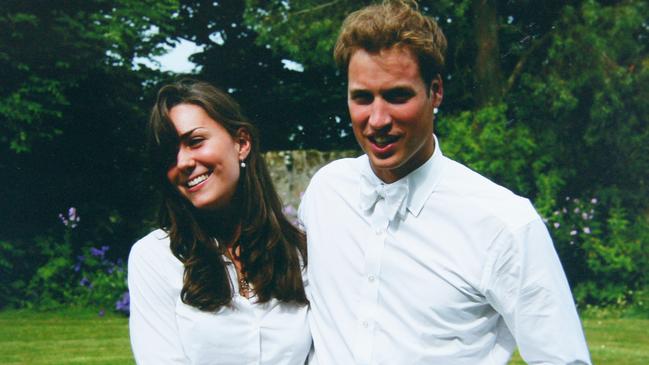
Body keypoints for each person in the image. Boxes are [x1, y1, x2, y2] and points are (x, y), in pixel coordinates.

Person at [298, 1, 591, 364]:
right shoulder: (326, 192)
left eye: (397, 95)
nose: (377, 119)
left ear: (435, 91)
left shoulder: (504, 225)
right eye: (362, 98)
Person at [128, 79, 311, 364]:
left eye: (195, 141)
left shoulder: (301, 254)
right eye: (169, 154)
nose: (183, 162)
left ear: (242, 142)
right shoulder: (155, 258)